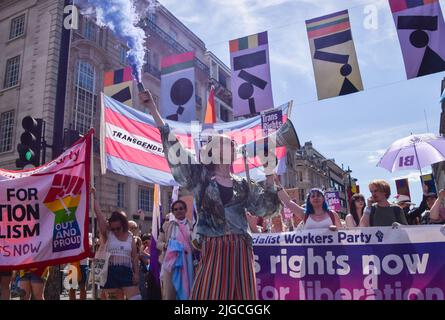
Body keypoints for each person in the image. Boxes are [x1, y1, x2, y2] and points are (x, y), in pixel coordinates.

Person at [139, 89, 281, 300]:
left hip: (241, 249)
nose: (233, 147)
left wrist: (270, 174)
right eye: (227, 144)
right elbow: (174, 149)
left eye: (232, 145)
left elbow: (267, 209)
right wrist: (153, 109)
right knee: (208, 294)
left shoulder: (242, 184)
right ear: (214, 151)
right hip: (213, 247)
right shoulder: (200, 178)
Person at [92, 189, 141, 300]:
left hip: (127, 272)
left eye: (118, 228)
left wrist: (137, 274)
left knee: (136, 298)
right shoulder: (108, 234)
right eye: (113, 228)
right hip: (110, 272)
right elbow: (99, 216)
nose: (115, 231)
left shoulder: (130, 237)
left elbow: (134, 257)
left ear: (124, 224)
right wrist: (93, 198)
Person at [273, 175, 341, 230]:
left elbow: (343, 235)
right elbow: (288, 202)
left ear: (323, 199)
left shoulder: (332, 214)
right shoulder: (305, 214)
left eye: (318, 196)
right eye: (313, 196)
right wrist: (277, 183)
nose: (316, 198)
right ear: (309, 200)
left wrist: (335, 230)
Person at [158, 200, 194, 300]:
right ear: (173, 212)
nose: (178, 211)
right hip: (170, 263)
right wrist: (167, 246)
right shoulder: (166, 226)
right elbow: (158, 243)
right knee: (170, 292)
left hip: (187, 262)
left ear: (186, 210)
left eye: (181, 208)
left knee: (187, 291)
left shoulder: (192, 226)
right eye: (175, 209)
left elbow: (196, 245)